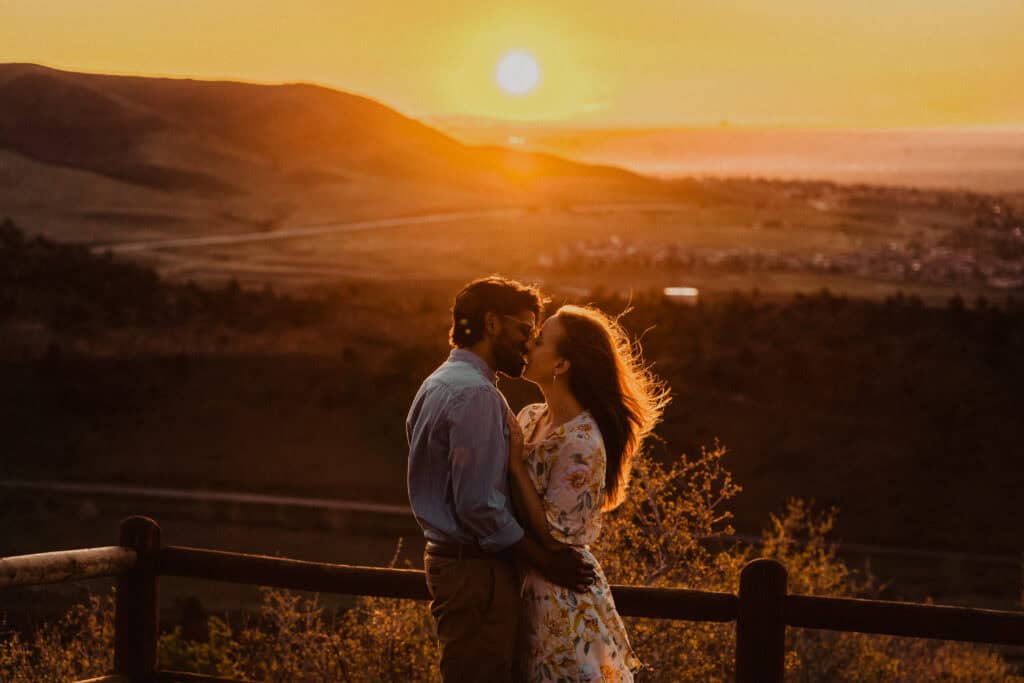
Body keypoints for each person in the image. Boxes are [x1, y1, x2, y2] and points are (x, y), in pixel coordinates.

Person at [407, 276, 596, 683]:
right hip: (476, 575)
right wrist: (545, 560)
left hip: (457, 568)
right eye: (524, 329)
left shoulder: (437, 383)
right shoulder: (477, 395)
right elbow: (478, 505)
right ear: (492, 323)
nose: (528, 343)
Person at [506, 304, 670, 682]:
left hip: (557, 594)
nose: (527, 345)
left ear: (561, 365)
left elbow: (554, 535)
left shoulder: (582, 443)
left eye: (539, 340)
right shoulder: (530, 416)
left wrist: (516, 466)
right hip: (518, 581)